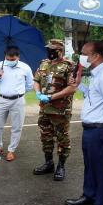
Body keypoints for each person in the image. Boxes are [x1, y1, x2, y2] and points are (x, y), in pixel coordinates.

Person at [65, 42, 103, 205]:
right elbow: (95, 97)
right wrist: (78, 85)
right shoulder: (98, 74)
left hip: (102, 130)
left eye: (84, 53)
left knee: (102, 171)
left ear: (96, 56)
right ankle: (90, 196)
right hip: (92, 130)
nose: (81, 57)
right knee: (91, 167)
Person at [33, 39, 77, 181]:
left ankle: (61, 166)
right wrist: (38, 93)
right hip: (44, 109)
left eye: (52, 50)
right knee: (46, 137)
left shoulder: (69, 66)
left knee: (62, 139)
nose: (49, 52)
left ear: (60, 51)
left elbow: (72, 87)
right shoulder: (44, 63)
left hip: (60, 110)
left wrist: (52, 97)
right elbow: (36, 80)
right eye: (48, 49)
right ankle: (49, 163)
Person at [0, 46, 33, 161]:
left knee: (17, 127)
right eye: (8, 59)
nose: (10, 61)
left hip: (18, 100)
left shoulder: (25, 68)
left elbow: (29, 85)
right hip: (2, 100)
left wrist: (19, 93)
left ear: (18, 57)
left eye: (13, 60)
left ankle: (11, 150)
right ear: (5, 56)